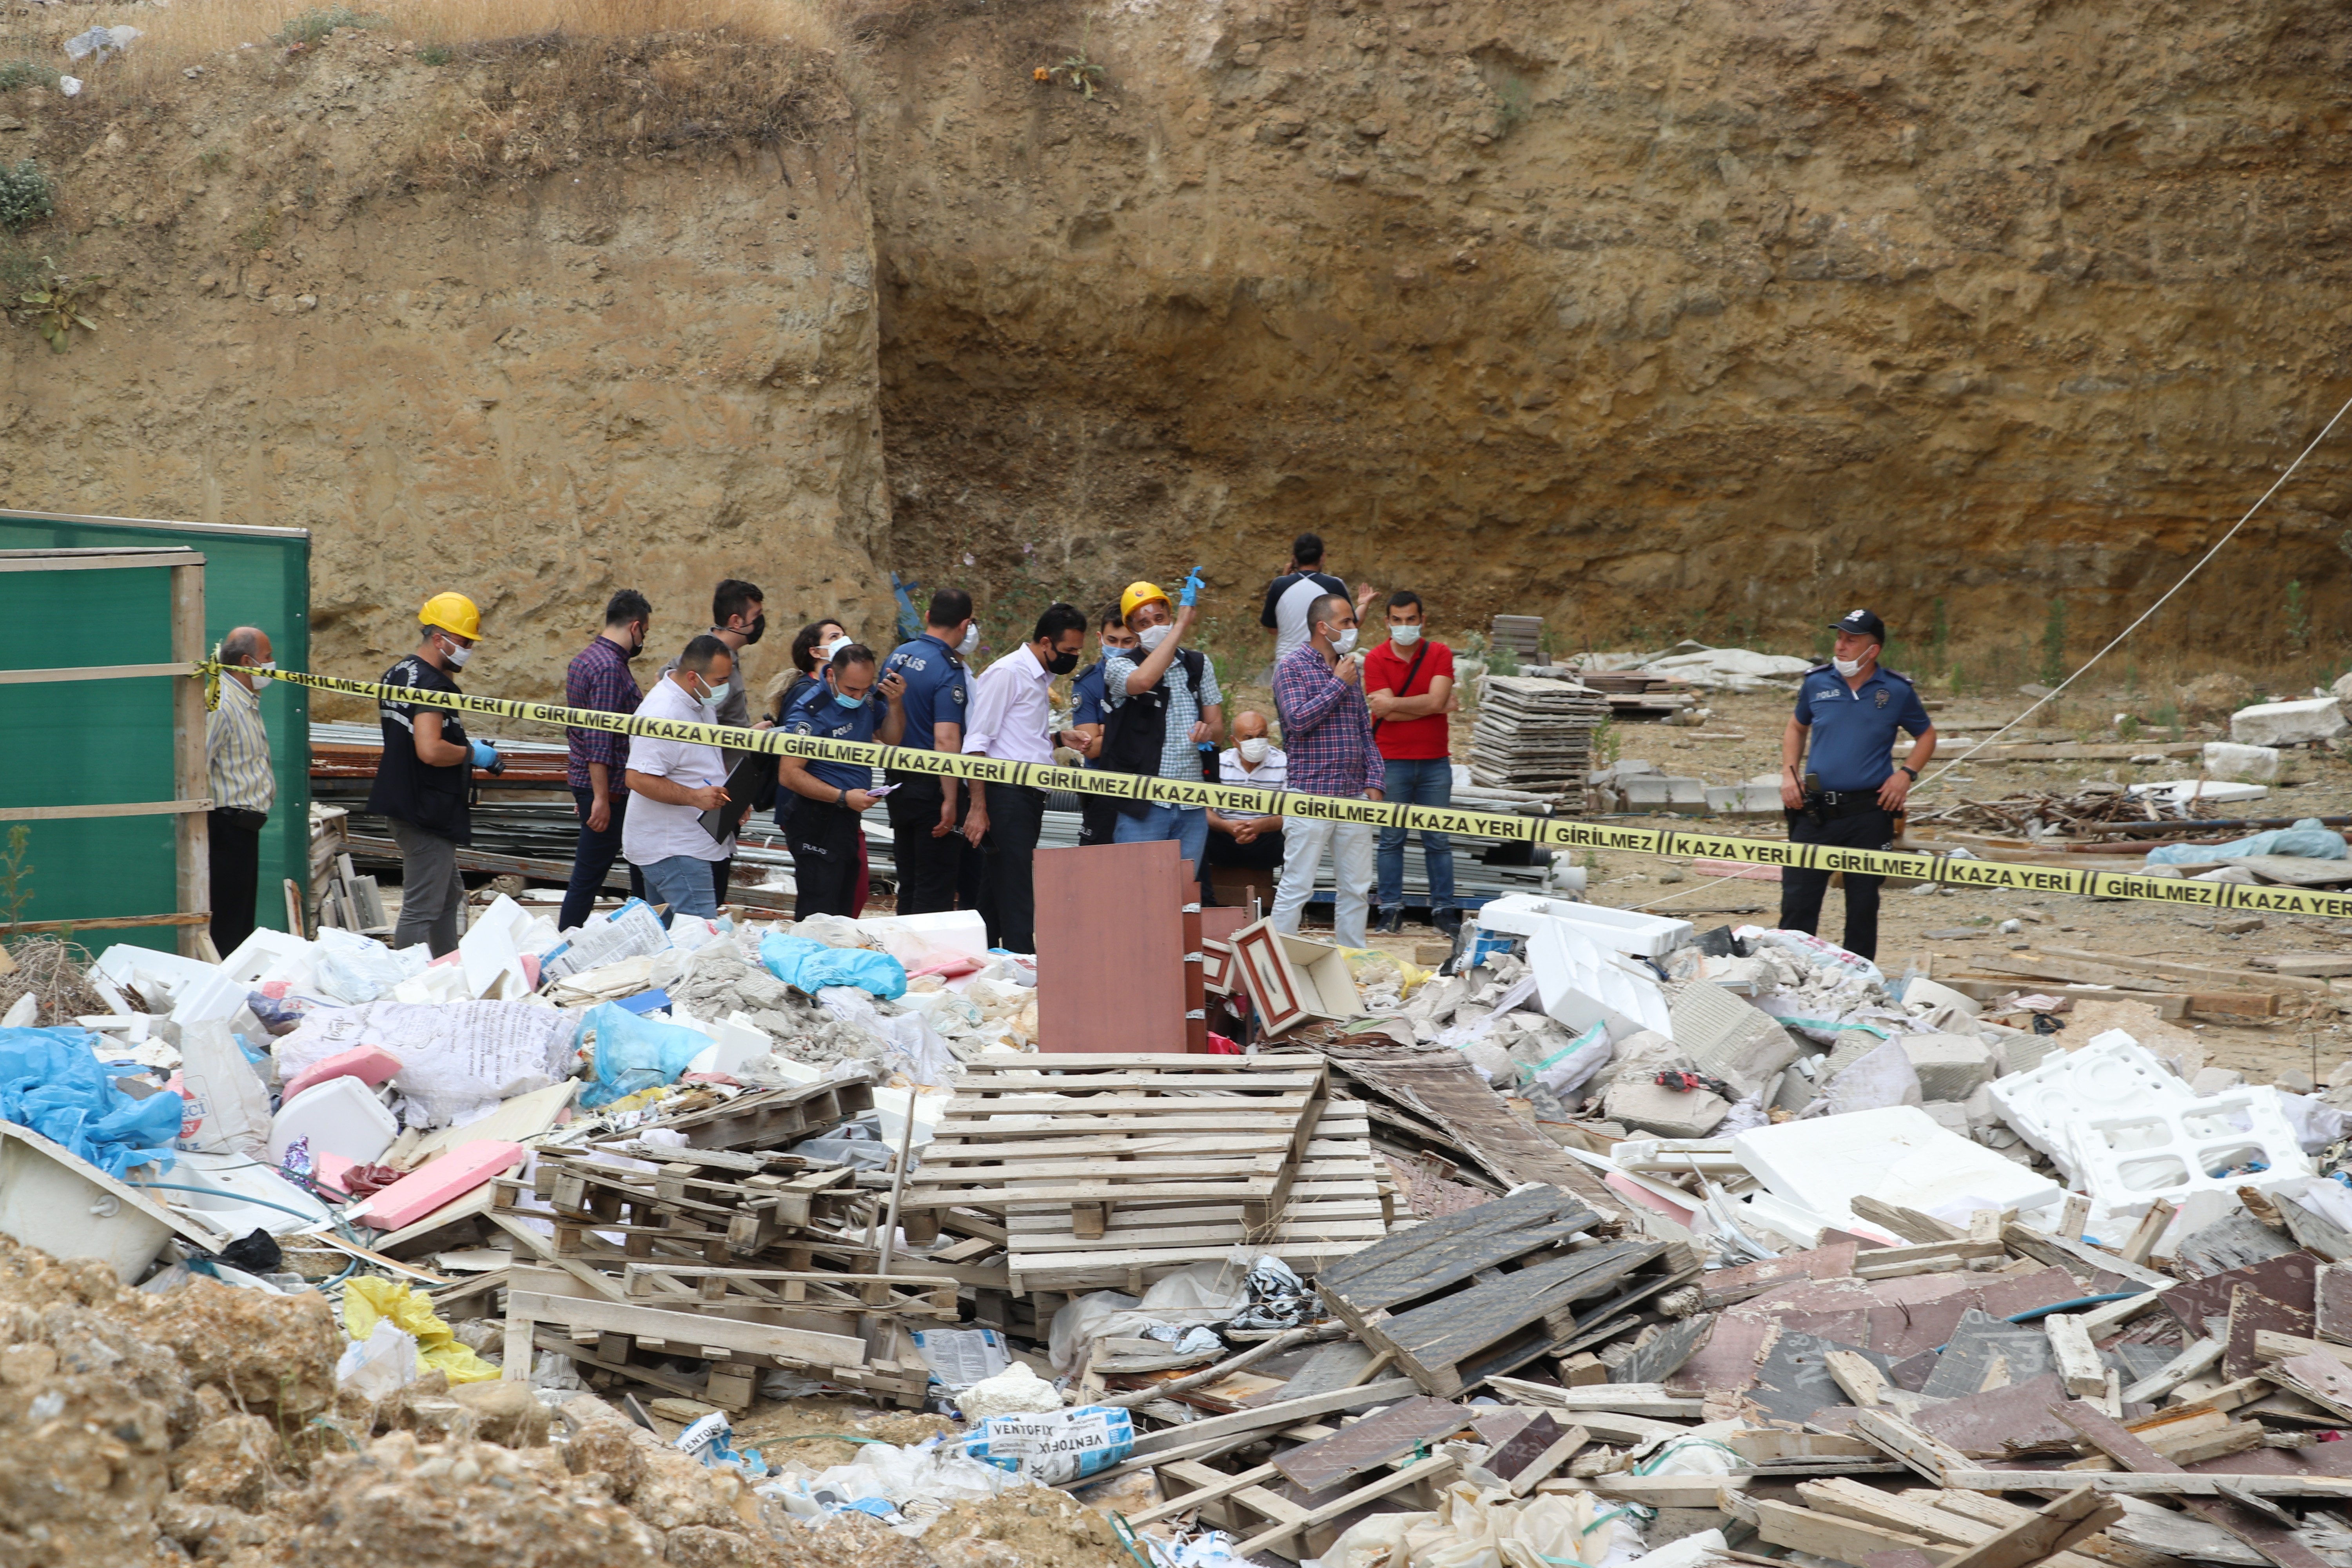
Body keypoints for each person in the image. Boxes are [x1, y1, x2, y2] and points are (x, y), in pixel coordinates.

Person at [1778, 608, 1938, 962]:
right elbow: (1796, 727)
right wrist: (1790, 773)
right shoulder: (1817, 683)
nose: (1841, 646)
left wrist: (1906, 774)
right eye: (1839, 638)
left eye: (1852, 640)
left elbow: (1926, 735)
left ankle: (1858, 980)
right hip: (1815, 811)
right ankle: (1790, 976)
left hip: (1870, 812)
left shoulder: (1895, 690)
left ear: (1873, 650)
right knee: (1798, 902)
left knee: (1863, 905)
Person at [369, 592, 497, 956]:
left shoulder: (398, 673)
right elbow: (430, 749)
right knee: (421, 908)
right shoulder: (434, 685)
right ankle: (411, 987)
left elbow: (412, 741)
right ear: (439, 639)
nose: (469, 649)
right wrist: (475, 755)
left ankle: (446, 967)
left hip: (404, 801)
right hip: (426, 810)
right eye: (464, 641)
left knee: (449, 895)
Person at [962, 604, 1090, 952]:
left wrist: (1061, 739)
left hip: (1028, 800)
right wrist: (978, 807)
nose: (1074, 658)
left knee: (993, 896)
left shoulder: (1039, 679)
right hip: (1007, 798)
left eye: (1078, 651)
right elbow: (976, 744)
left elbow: (1018, 744)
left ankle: (979, 968)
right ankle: (1028, 977)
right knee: (1019, 898)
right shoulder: (1008, 673)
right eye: (1069, 651)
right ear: (1046, 642)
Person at [1269, 593, 1383, 947]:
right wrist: (1338, 683)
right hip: (1311, 793)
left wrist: (1375, 781)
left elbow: (1364, 729)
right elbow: (1298, 721)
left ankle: (1351, 960)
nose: (1353, 628)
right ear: (1324, 627)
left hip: (1353, 794)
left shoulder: (1350, 667)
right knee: (1297, 884)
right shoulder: (1292, 667)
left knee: (1356, 887)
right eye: (1347, 622)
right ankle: (1276, 964)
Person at [1101, 581, 1224, 883]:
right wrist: (1182, 626)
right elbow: (1142, 682)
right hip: (1144, 804)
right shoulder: (1119, 667)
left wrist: (1207, 733)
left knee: (1182, 897)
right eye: (1144, 623)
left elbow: (1219, 728)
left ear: (1169, 615)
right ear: (1133, 630)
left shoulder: (1197, 665)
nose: (1154, 627)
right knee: (1137, 892)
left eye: (1160, 619)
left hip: (1192, 803)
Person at [777, 644, 908, 918]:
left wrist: (895, 703)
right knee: (819, 913)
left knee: (845, 910)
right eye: (851, 690)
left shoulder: (868, 698)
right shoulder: (810, 712)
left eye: (866, 688)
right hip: (816, 818)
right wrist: (842, 796)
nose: (859, 696)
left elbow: (892, 738)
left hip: (847, 817)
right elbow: (789, 774)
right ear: (830, 677)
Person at [662, 578, 768, 907]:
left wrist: (748, 732)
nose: (762, 622)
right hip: (708, 790)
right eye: (758, 614)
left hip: (721, 786)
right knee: (707, 891)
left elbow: (718, 723)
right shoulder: (707, 659)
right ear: (737, 621)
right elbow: (675, 695)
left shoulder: (724, 660)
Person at [1364, 590, 1461, 937]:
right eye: (1398, 620)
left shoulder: (1440, 653)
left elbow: (1395, 706)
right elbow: (1388, 708)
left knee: (1439, 839)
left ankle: (1444, 910)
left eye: (1411, 620)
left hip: (1435, 762)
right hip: (1391, 761)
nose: (1405, 626)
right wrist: (1432, 706)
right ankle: (1390, 910)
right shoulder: (1375, 659)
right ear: (1388, 622)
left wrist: (1396, 707)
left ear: (1423, 620)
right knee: (1392, 839)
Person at [623, 635, 739, 920]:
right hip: (674, 848)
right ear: (693, 677)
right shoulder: (664, 713)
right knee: (699, 941)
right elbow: (637, 777)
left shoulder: (699, 700)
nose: (726, 687)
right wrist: (695, 798)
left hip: (683, 845)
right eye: (720, 680)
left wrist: (733, 798)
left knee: (668, 944)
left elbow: (701, 761)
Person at [559, 590, 652, 933]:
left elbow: (579, 732)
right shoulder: (611, 668)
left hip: (594, 784)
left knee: (631, 866)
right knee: (590, 876)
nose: (643, 640)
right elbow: (599, 738)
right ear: (636, 627)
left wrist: (586, 790)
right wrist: (599, 797)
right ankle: (564, 944)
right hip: (610, 790)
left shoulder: (585, 659)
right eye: (645, 633)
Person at [882, 589, 980, 914]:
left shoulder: (899, 655)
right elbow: (947, 740)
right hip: (932, 789)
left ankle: (904, 958)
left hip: (897, 784)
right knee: (935, 886)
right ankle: (923, 962)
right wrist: (951, 799)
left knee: (909, 881)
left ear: (927, 616)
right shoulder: (948, 669)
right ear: (965, 625)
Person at [205, 625, 276, 955]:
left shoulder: (246, 701)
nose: (274, 665)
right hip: (225, 828)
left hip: (244, 829)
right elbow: (198, 764)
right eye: (268, 658)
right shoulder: (223, 704)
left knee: (241, 921)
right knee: (228, 925)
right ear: (248, 662)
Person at [1069, 608, 1138, 848]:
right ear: (1100, 639)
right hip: (1102, 790)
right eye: (1112, 640)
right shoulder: (1088, 683)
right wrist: (1132, 728)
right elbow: (1090, 748)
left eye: (1127, 641)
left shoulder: (1150, 679)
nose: (1119, 646)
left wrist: (1107, 731)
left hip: (1144, 790)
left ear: (1139, 640)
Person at [1204, 708, 1287, 907]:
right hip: (1225, 836)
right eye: (1248, 738)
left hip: (1267, 837)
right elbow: (1205, 811)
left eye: (1261, 736)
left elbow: (1290, 814)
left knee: (1298, 832)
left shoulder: (1284, 763)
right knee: (1195, 828)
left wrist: (1259, 826)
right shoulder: (1219, 764)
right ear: (1234, 741)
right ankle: (1205, 902)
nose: (1256, 742)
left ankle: (1283, 905)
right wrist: (1227, 827)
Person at [1261, 532, 1376, 668]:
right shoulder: (1334, 585)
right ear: (1322, 557)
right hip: (1323, 665)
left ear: (1294, 560)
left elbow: (1273, 630)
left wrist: (1285, 578)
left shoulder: (1278, 585)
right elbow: (1350, 627)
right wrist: (1364, 603)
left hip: (1286, 665)